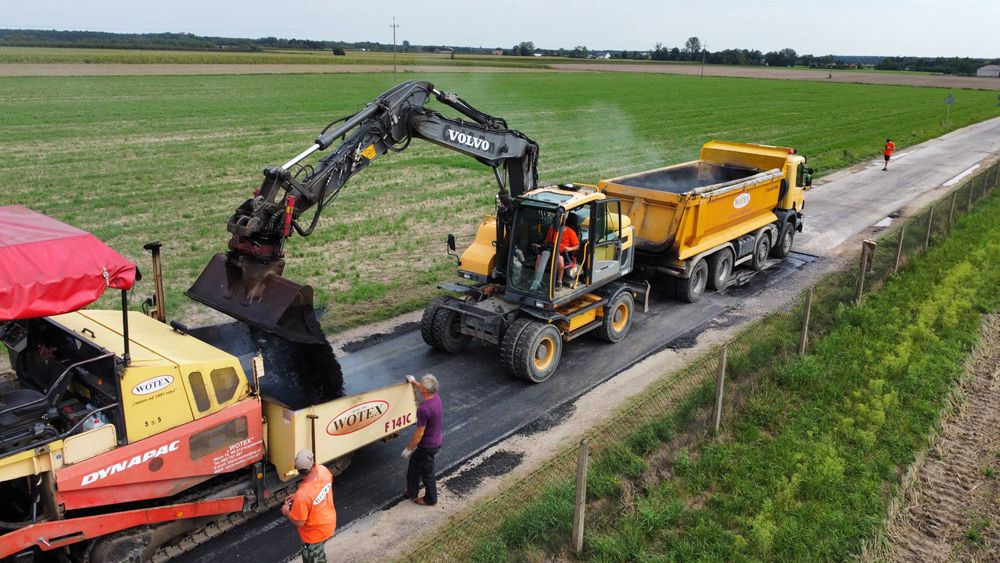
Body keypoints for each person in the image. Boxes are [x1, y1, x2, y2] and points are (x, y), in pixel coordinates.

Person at [281, 449, 336, 563]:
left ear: (296, 469)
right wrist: (298, 496)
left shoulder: (303, 495)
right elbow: (319, 488)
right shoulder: (323, 470)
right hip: (329, 524)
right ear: (314, 464)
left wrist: (287, 512)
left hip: (314, 536)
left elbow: (299, 522)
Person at [402, 374, 443, 506]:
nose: (420, 386)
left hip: (428, 446)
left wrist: (409, 449)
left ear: (425, 390)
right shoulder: (436, 397)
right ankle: (412, 491)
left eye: (421, 386)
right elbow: (423, 386)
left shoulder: (423, 409)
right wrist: (413, 381)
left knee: (427, 472)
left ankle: (431, 499)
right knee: (414, 464)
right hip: (434, 439)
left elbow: (419, 433)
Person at [530, 216, 580, 291]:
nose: (555, 226)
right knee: (540, 257)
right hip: (551, 250)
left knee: (559, 259)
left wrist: (569, 248)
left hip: (563, 252)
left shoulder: (570, 232)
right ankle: (537, 280)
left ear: (564, 222)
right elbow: (547, 243)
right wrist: (539, 246)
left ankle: (559, 282)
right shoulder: (552, 230)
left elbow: (577, 246)